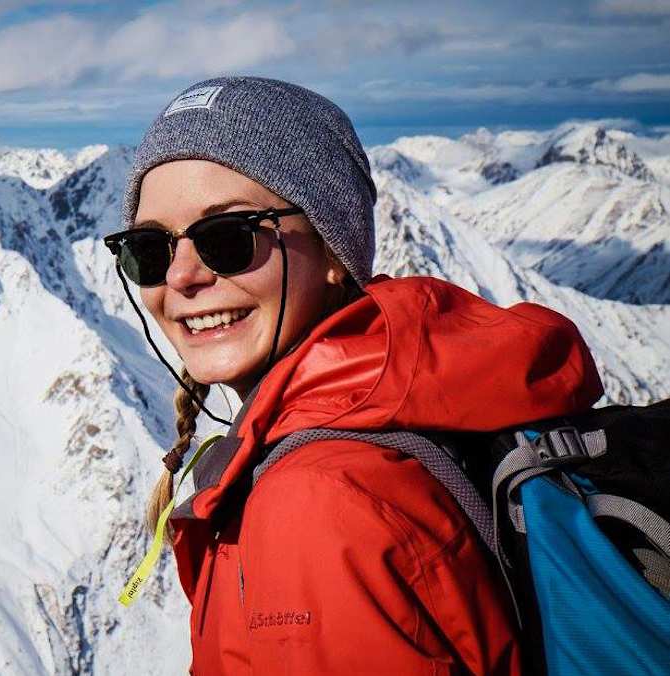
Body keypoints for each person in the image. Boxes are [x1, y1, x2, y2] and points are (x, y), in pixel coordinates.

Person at [103, 76, 603, 674]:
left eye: (228, 238)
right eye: (150, 249)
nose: (182, 276)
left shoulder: (317, 505)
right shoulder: (401, 403)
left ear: (335, 252)